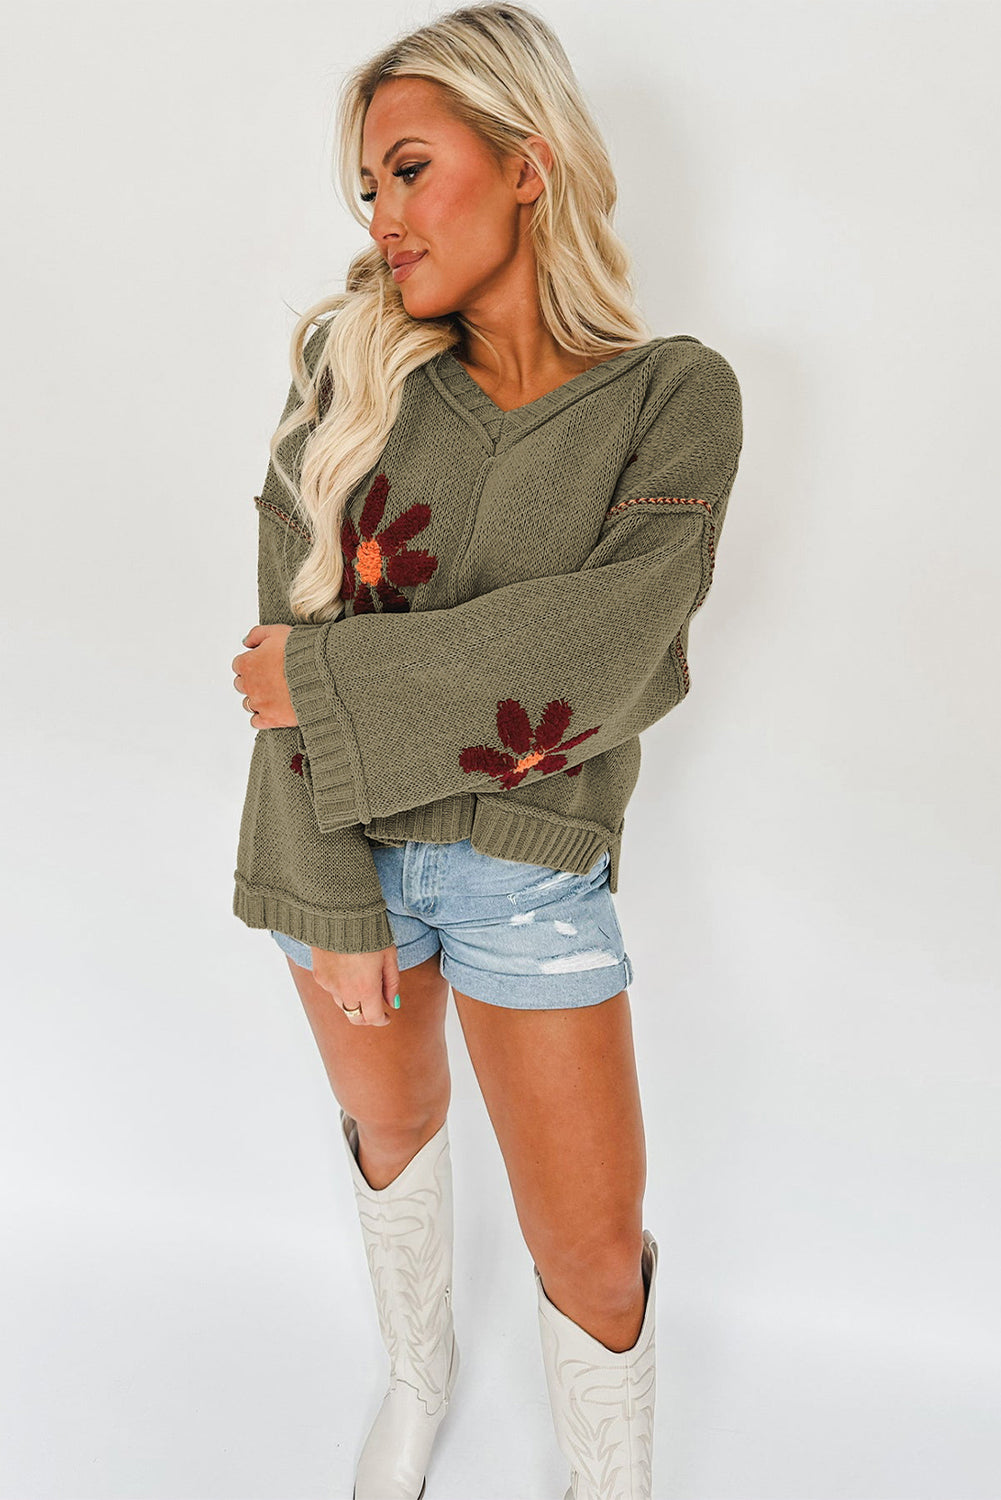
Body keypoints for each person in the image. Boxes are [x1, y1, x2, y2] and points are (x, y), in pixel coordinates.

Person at [230, 4, 743, 1497]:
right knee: (391, 1134)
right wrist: (331, 891)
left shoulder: (673, 396)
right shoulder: (347, 368)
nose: (382, 218)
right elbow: (274, 657)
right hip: (342, 852)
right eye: (365, 189)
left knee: (591, 1249)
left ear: (527, 161)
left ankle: (608, 1478)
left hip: (534, 877)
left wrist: (327, 675)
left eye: (408, 169)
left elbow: (612, 654)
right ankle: (416, 1381)